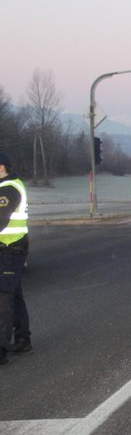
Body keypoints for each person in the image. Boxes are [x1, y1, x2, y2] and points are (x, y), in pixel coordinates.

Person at [0, 153, 30, 366]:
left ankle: (1, 349)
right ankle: (22, 339)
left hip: (11, 248)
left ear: (1, 167)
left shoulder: (9, 188)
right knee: (14, 293)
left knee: (4, 297)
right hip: (10, 247)